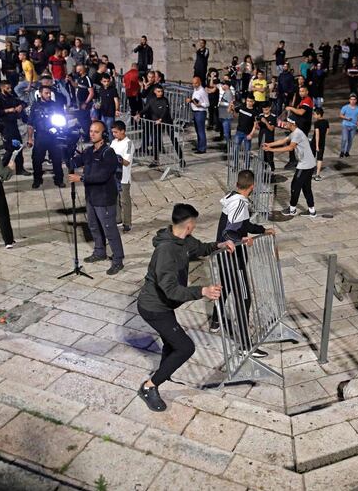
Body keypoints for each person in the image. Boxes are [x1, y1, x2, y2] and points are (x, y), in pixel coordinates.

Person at [136, 203, 232, 411]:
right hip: (154, 308)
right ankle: (149, 387)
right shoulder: (165, 252)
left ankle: (164, 373)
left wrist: (220, 245)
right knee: (185, 347)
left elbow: (201, 248)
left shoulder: (185, 241)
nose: (194, 228)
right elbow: (170, 290)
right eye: (194, 224)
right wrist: (202, 291)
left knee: (171, 343)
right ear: (189, 225)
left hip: (164, 305)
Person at [209, 170, 276, 351]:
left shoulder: (232, 197)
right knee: (244, 299)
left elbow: (244, 225)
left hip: (224, 256)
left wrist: (262, 230)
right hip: (234, 258)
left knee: (226, 288)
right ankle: (246, 345)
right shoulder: (239, 204)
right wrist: (241, 240)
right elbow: (229, 232)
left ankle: (215, 320)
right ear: (252, 187)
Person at [69, 121, 125, 275]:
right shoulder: (88, 151)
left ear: (103, 134)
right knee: (93, 226)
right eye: (91, 131)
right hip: (91, 197)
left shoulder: (109, 153)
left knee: (109, 230)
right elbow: (74, 162)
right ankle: (99, 252)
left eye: (96, 131)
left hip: (104, 198)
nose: (92, 134)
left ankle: (118, 260)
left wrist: (80, 179)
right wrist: (65, 147)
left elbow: (102, 176)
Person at [263, 119, 317, 217]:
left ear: (293, 123)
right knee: (306, 188)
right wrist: (269, 144)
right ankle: (312, 211)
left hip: (305, 165)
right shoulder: (295, 132)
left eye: (287, 123)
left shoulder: (297, 134)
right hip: (309, 164)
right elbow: (283, 140)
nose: (285, 124)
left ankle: (292, 210)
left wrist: (271, 150)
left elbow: (290, 148)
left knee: (294, 186)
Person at [27, 86, 65, 188]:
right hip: (40, 136)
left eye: (49, 93)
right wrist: (30, 138)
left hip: (54, 136)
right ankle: (37, 180)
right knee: (37, 160)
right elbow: (30, 123)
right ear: (40, 93)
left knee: (57, 159)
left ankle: (59, 179)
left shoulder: (55, 105)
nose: (48, 95)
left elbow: (62, 119)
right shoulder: (35, 106)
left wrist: (58, 129)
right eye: (46, 93)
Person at [0, 79, 30, 175]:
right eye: (7, 88)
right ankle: (0, 169)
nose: (10, 89)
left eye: (10, 87)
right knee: (10, 148)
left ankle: (20, 168)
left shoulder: (11, 97)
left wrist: (21, 106)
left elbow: (23, 102)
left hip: (13, 125)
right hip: (5, 126)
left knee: (18, 146)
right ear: (2, 88)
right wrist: (7, 110)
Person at [110, 121, 134, 232]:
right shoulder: (114, 142)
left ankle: (127, 222)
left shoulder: (129, 144)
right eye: (113, 132)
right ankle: (117, 219)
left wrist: (116, 158)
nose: (114, 134)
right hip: (113, 176)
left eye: (116, 132)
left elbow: (126, 162)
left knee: (124, 201)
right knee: (114, 199)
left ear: (122, 131)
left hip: (124, 178)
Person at [283, 85, 314, 169]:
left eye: (303, 91)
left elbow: (301, 112)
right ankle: (294, 160)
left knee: (299, 144)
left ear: (307, 92)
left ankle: (300, 162)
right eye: (300, 91)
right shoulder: (303, 100)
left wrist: (291, 108)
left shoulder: (307, 100)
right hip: (299, 125)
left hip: (303, 126)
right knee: (292, 142)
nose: (301, 93)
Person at [186, 76, 210, 154]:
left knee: (201, 131)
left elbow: (207, 104)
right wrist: (191, 101)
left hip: (200, 112)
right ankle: (199, 146)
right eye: (193, 83)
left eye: (195, 83)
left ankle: (202, 148)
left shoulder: (202, 91)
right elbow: (195, 100)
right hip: (195, 111)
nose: (193, 84)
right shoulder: (195, 89)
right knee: (197, 130)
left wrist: (200, 104)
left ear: (199, 83)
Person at [339, 93, 358, 158]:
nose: (352, 101)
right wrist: (346, 118)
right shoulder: (345, 107)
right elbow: (340, 115)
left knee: (350, 140)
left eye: (354, 99)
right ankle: (342, 151)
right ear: (349, 100)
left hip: (353, 126)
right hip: (345, 125)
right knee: (344, 139)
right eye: (351, 99)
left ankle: (347, 152)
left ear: (356, 100)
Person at [257, 102, 277, 171]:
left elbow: (271, 128)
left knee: (269, 156)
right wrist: (256, 123)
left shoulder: (273, 117)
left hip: (269, 139)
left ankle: (272, 170)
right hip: (261, 138)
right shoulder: (260, 115)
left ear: (270, 108)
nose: (265, 111)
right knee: (262, 155)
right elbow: (257, 127)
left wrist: (265, 122)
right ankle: (263, 169)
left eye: (266, 109)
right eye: (264, 109)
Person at [312, 107, 328, 181]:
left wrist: (317, 145)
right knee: (320, 158)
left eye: (315, 114)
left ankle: (310, 173)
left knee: (312, 157)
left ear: (319, 115)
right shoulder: (326, 122)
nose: (314, 116)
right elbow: (327, 132)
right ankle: (317, 174)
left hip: (315, 142)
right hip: (322, 142)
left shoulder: (316, 123)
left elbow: (317, 134)